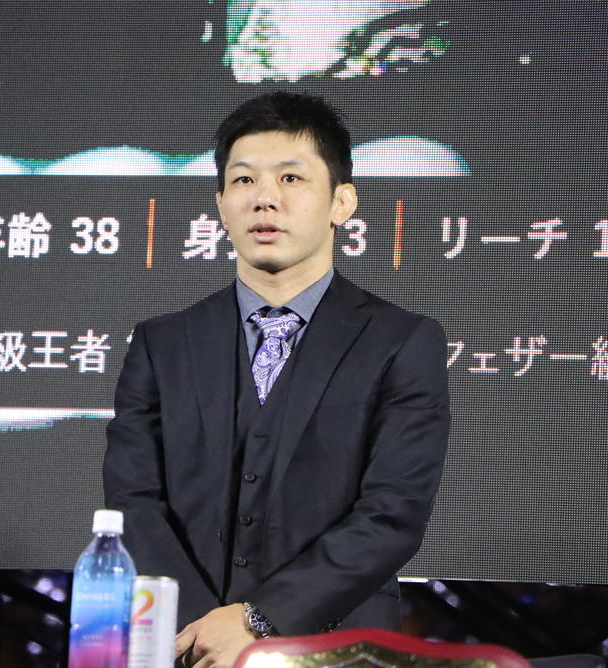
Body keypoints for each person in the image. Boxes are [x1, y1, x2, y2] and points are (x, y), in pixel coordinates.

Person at [103, 91, 450, 668]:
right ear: (221, 204)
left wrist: (257, 621)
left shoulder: (401, 341)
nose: (265, 198)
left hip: (338, 651)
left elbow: (393, 514)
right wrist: (205, 633)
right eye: (244, 181)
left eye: (291, 178)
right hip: (184, 649)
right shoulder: (162, 344)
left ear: (341, 201)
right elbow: (133, 500)